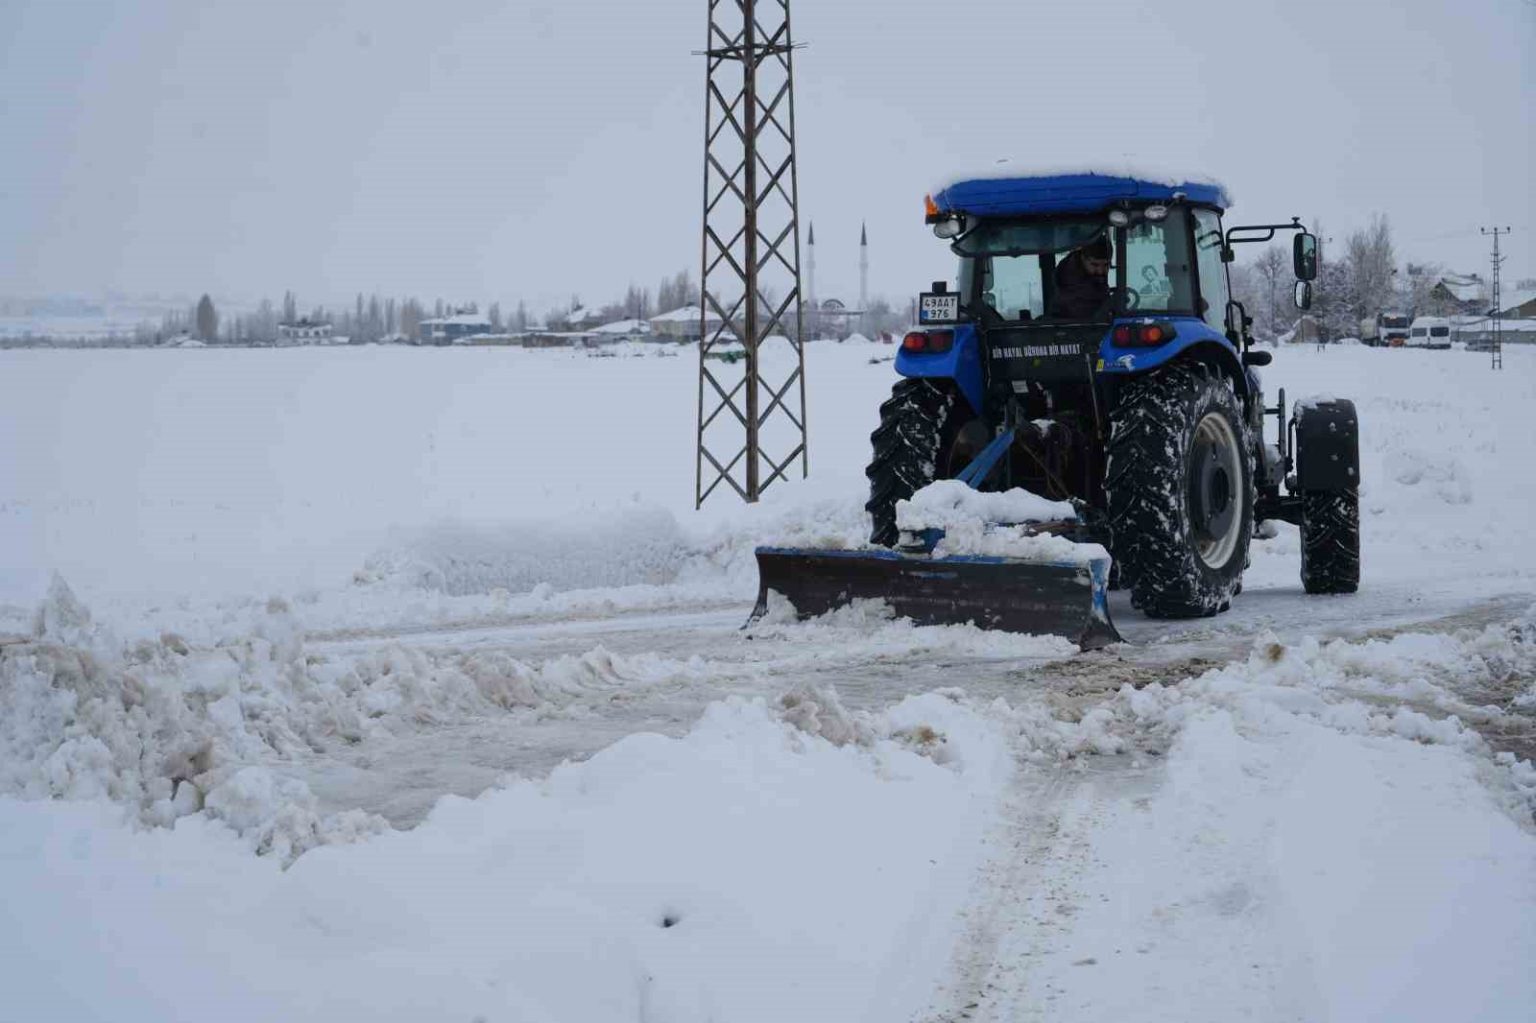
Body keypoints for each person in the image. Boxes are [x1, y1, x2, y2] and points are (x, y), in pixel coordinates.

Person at [1050, 235, 1113, 319]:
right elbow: (1085, 313)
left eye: (1106, 265)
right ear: (1083, 258)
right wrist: (1111, 304)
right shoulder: (1069, 279)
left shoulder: (1092, 277)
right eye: (1095, 265)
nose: (1100, 271)